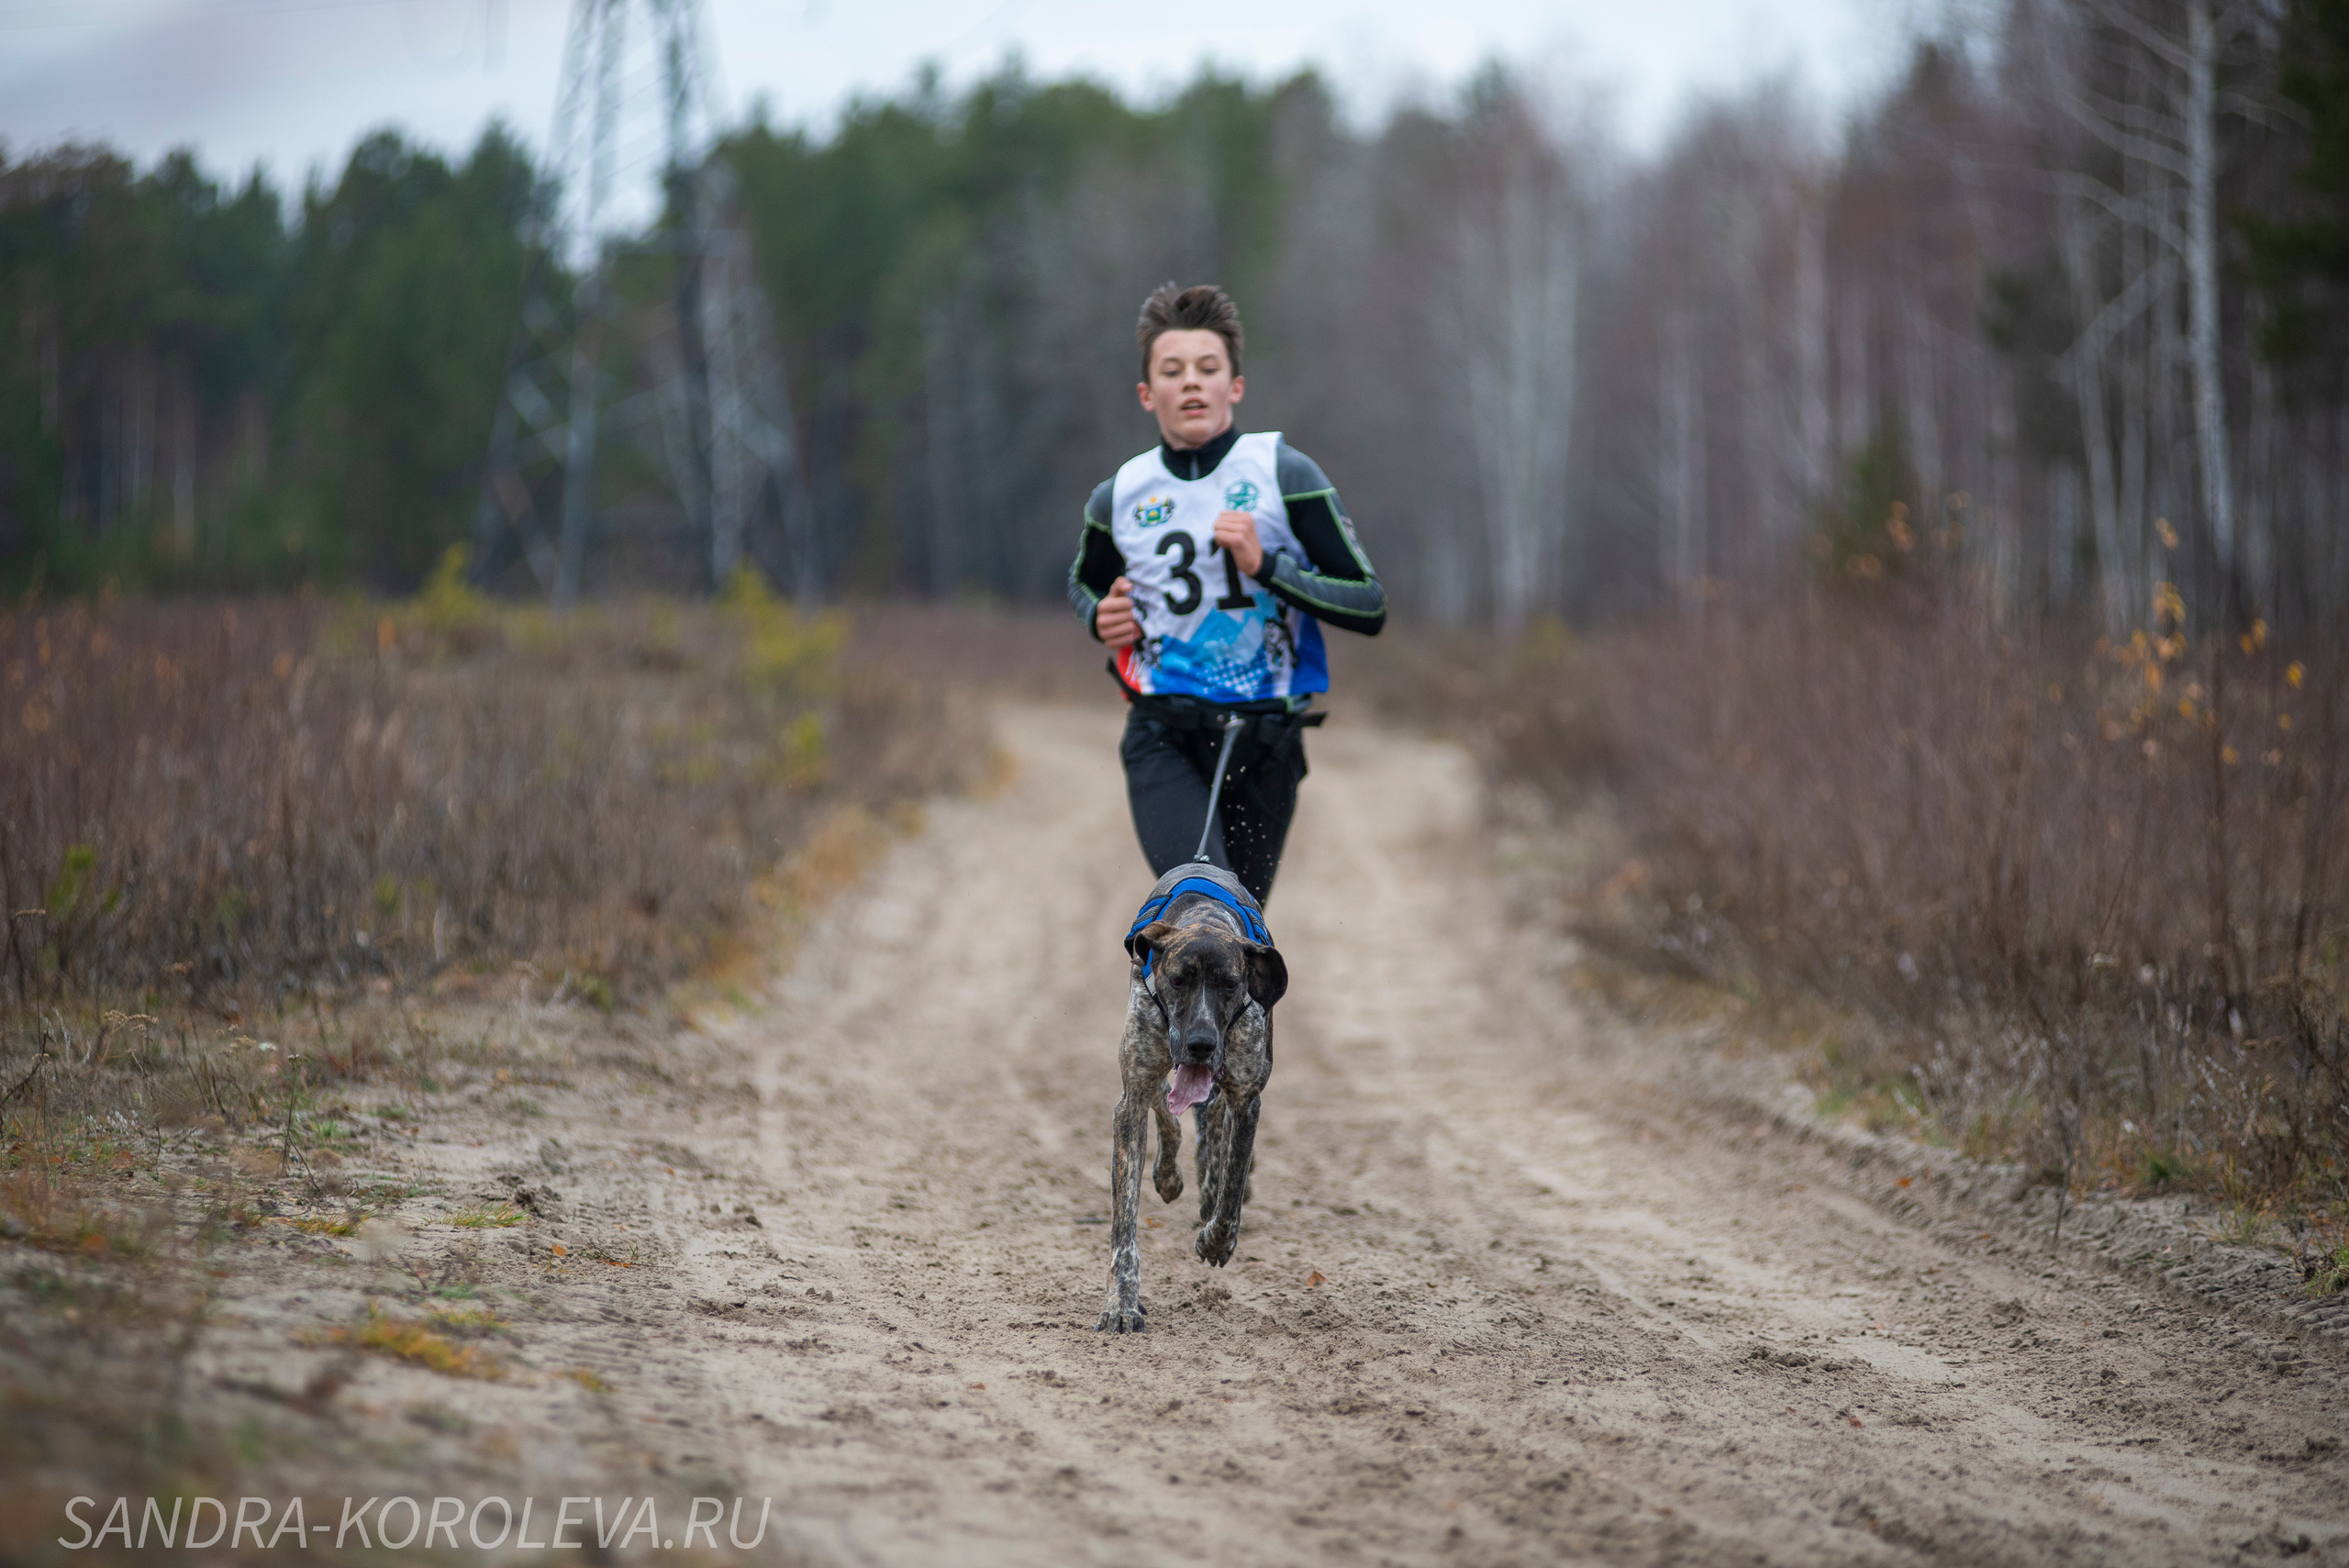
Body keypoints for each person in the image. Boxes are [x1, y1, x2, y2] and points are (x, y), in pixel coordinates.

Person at [1067, 283, 1386, 906]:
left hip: (1264, 742)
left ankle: (1242, 1009)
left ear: (1234, 385)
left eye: (1208, 369)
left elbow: (1369, 603)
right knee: (1200, 908)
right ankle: (1151, 1006)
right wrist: (1098, 616)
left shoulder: (1284, 475)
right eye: (1173, 370)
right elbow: (1085, 583)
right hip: (1164, 733)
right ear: (1146, 393)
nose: (1191, 383)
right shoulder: (1121, 493)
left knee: (1238, 945)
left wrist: (1266, 565)